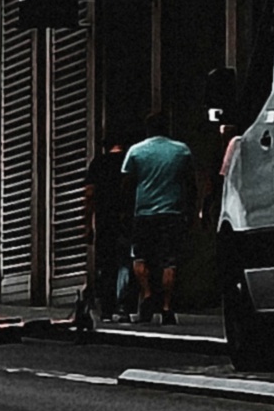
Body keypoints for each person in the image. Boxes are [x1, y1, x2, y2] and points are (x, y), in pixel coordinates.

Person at [121, 124, 199, 325]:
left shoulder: (136, 151)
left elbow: (127, 185)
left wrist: (126, 213)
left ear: (148, 130)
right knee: (169, 261)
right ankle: (166, 307)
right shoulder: (181, 150)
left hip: (144, 213)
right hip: (172, 212)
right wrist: (192, 211)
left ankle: (147, 294)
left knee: (139, 258)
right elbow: (191, 183)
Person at [71, 137, 131, 335]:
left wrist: (87, 224)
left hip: (105, 219)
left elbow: (89, 194)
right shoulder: (131, 160)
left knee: (106, 264)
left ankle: (107, 308)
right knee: (125, 262)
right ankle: (123, 307)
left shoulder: (99, 163)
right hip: (127, 218)